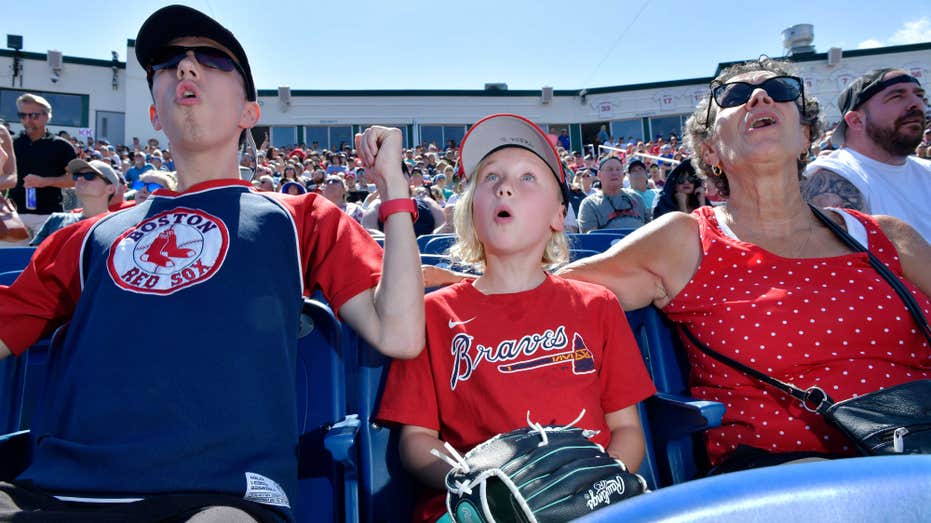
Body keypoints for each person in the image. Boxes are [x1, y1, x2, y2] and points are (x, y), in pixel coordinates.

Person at [0, 5, 423, 522]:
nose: (187, 67)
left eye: (213, 59)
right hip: (55, 493)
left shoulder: (301, 218)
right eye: (170, 61)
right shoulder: (87, 237)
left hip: (219, 496)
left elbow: (399, 332)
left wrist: (394, 189)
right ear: (154, 112)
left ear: (250, 112)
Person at [557, 58, 931, 472]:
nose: (760, 95)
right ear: (711, 150)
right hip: (782, 483)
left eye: (781, 89)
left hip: (917, 454)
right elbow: (549, 295)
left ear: (806, 136)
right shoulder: (685, 240)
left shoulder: (888, 237)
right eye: (735, 96)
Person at [378, 113, 654, 523]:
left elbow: (627, 430)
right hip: (472, 511)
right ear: (472, 212)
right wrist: (478, 486)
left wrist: (597, 488)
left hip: (591, 506)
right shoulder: (435, 314)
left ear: (558, 215)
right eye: (490, 178)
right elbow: (417, 441)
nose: (505, 186)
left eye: (528, 178)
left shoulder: (597, 306)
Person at [802, 69, 931, 242]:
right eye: (897, 96)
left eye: (919, 96)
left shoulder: (927, 171)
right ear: (856, 121)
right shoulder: (832, 176)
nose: (916, 104)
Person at [10, 93, 77, 238]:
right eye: (22, 115)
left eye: (33, 115)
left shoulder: (61, 146)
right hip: (15, 215)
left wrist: (45, 182)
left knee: (46, 260)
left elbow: (75, 178)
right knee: (10, 260)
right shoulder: (12, 143)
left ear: (47, 116)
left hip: (49, 215)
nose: (27, 120)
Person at [29, 159, 119, 246]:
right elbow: (33, 257)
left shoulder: (119, 226)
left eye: (90, 175)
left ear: (110, 189)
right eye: (76, 175)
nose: (80, 179)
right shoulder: (56, 220)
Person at [577, 156, 648, 232]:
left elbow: (649, 229)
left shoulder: (636, 198)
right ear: (599, 175)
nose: (614, 173)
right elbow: (591, 239)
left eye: (618, 169)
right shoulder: (590, 204)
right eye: (609, 169)